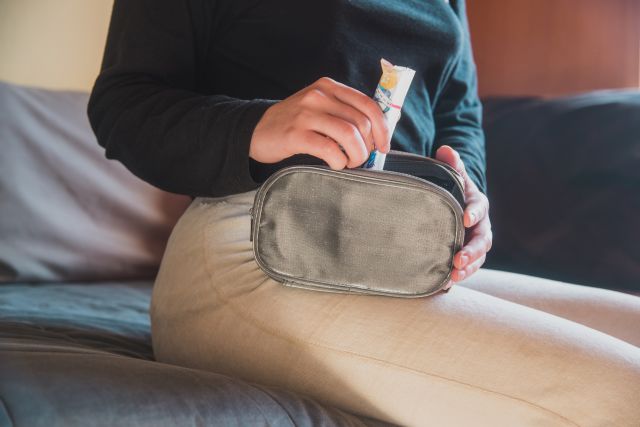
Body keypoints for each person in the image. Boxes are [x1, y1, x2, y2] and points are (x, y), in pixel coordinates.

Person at [88, 0, 640, 425]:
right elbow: (123, 103)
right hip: (258, 244)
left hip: (412, 253)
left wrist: (467, 188)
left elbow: (456, 111)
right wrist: (258, 126)